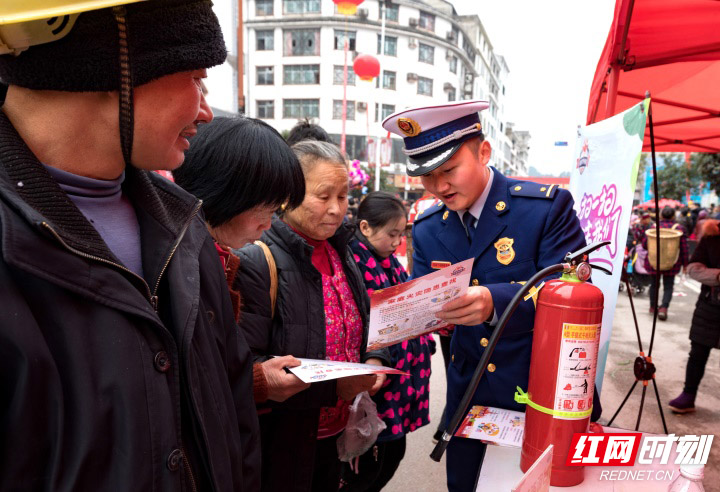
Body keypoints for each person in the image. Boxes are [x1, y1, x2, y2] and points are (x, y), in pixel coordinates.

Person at [0, 0, 261, 489]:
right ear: (115, 62)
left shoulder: (184, 226)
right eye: (196, 78)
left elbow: (234, 412)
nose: (206, 110)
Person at [382, 100, 597, 491]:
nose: (439, 187)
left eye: (448, 170)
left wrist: (493, 301)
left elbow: (573, 296)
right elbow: (427, 304)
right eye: (426, 176)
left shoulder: (544, 208)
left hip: (541, 393)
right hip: (470, 400)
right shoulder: (429, 227)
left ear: (484, 151)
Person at [234, 140, 391, 492]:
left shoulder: (340, 251)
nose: (338, 209)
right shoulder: (258, 261)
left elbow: (363, 323)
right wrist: (334, 387)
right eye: (324, 196)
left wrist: (375, 357)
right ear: (288, 195)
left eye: (343, 196)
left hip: (339, 432)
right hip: (285, 441)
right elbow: (245, 367)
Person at [173, 115, 312, 404]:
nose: (268, 225)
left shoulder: (216, 258)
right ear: (230, 194)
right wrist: (257, 382)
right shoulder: (176, 271)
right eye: (266, 209)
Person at [340, 191, 435, 491]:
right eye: (392, 234)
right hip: (380, 386)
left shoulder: (387, 262)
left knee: (393, 455)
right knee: (369, 465)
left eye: (401, 234)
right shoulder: (353, 263)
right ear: (365, 228)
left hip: (400, 385)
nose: (397, 242)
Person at [668, 226, 720, 413]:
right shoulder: (712, 236)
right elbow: (693, 268)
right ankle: (688, 395)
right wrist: (717, 276)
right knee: (697, 353)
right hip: (710, 305)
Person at [642, 206, 689, 320]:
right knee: (668, 286)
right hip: (671, 263)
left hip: (654, 262)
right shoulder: (679, 229)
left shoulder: (654, 227)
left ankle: (653, 307)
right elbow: (684, 248)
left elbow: (644, 245)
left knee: (654, 285)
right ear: (673, 216)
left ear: (661, 215)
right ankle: (664, 308)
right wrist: (685, 264)